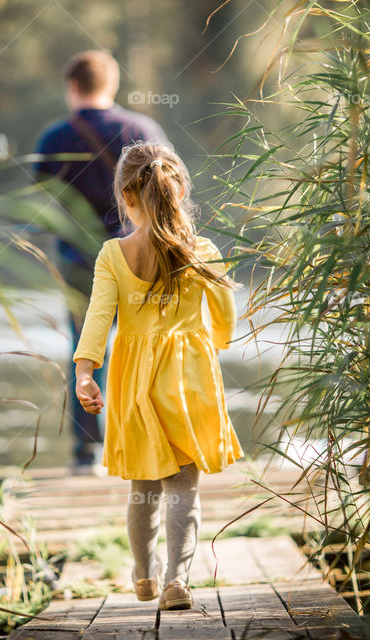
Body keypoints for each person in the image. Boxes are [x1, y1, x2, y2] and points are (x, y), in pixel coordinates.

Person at [71, 142, 243, 611]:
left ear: (126, 196)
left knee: (144, 487)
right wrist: (214, 341)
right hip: (189, 378)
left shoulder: (112, 254)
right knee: (183, 485)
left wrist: (86, 372)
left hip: (134, 381)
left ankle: (143, 575)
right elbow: (226, 321)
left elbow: (97, 319)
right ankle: (176, 581)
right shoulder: (203, 251)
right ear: (180, 190)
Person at [32, 50, 168, 474]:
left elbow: (41, 206)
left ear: (72, 87)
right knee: (146, 346)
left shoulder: (54, 138)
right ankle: (148, 442)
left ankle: (87, 454)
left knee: (86, 353)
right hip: (139, 256)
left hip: (79, 263)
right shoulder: (143, 129)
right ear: (112, 83)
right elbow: (170, 193)